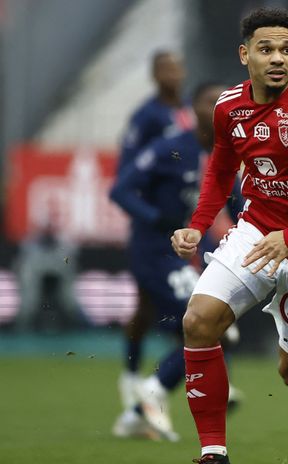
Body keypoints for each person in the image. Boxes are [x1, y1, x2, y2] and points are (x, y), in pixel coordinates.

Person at [170, 8, 288, 464]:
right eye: (266, 49)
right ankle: (214, 453)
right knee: (198, 321)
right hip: (256, 232)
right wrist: (197, 226)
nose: (277, 58)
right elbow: (221, 167)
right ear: (245, 55)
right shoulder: (228, 106)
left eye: (286, 50)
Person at [110, 83, 242, 441]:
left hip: (182, 255)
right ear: (194, 107)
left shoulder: (226, 154)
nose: (217, 107)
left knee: (211, 328)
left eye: (222, 101)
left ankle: (136, 415)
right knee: (209, 324)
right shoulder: (170, 147)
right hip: (153, 251)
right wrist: (155, 218)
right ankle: (150, 390)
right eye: (209, 101)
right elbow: (120, 189)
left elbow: (238, 206)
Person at [113, 49, 194, 414]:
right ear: (154, 74)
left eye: (177, 67)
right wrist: (151, 212)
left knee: (162, 308)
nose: (172, 74)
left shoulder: (189, 110)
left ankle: (178, 377)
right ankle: (134, 379)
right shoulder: (146, 117)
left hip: (182, 222)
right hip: (153, 226)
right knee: (148, 309)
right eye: (165, 68)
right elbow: (128, 171)